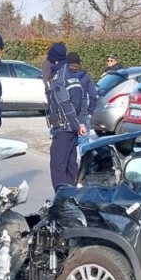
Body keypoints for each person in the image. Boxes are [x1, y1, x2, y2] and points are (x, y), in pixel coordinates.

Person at [47, 51, 96, 188]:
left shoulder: (61, 78)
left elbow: (64, 104)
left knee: (58, 163)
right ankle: (72, 190)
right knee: (71, 162)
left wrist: (76, 124)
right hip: (74, 128)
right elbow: (85, 100)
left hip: (64, 127)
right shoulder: (78, 78)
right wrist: (82, 122)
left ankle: (62, 196)